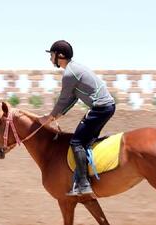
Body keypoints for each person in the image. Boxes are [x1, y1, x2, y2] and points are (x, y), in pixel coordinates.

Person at [38, 40, 116, 196]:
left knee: (76, 142)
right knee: (85, 141)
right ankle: (85, 177)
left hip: (100, 108)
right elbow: (72, 99)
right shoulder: (74, 69)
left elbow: (62, 99)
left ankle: (83, 184)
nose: (50, 58)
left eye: (52, 55)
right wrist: (56, 116)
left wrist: (49, 117)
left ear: (60, 55)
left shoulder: (69, 74)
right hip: (106, 107)